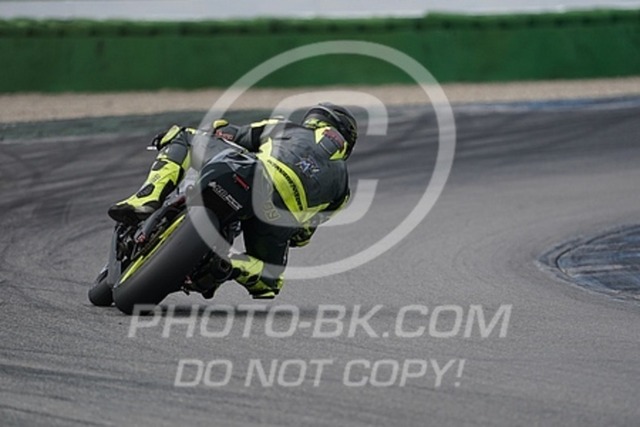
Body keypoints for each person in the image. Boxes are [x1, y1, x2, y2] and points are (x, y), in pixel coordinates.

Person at [107, 103, 358, 299]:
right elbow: (303, 235)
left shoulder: (287, 127)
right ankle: (230, 263)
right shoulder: (342, 191)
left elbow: (234, 134)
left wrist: (218, 130)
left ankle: (147, 198)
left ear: (316, 120)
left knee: (183, 136)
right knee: (270, 281)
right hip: (277, 217)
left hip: (253, 175)